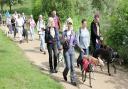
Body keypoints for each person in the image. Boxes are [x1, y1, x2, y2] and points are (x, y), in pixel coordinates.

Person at [62, 18, 81, 86]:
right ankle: (64, 73)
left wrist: (79, 48)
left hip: (72, 50)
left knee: (73, 66)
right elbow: (62, 42)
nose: (69, 25)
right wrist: (64, 40)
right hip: (66, 51)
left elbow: (76, 41)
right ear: (67, 24)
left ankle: (73, 80)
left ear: (72, 24)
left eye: (71, 23)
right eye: (68, 23)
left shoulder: (73, 32)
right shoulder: (64, 32)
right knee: (68, 66)